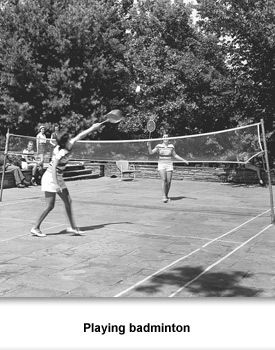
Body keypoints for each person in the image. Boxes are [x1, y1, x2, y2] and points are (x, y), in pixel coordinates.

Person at [30, 122, 102, 237]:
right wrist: (57, 184)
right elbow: (53, 167)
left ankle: (72, 227)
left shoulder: (69, 144)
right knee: (50, 205)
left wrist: (93, 128)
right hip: (50, 177)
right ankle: (36, 227)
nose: (71, 139)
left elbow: (81, 135)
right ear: (64, 141)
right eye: (68, 138)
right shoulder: (61, 152)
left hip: (57, 177)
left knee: (68, 201)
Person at [147, 133, 189, 203]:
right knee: (164, 179)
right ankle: (163, 197)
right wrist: (149, 146)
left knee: (169, 181)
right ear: (162, 139)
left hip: (169, 164)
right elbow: (151, 152)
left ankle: (166, 196)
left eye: (167, 137)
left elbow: (175, 155)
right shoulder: (159, 146)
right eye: (164, 137)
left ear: (168, 139)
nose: (165, 138)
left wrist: (183, 160)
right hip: (161, 164)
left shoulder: (171, 146)